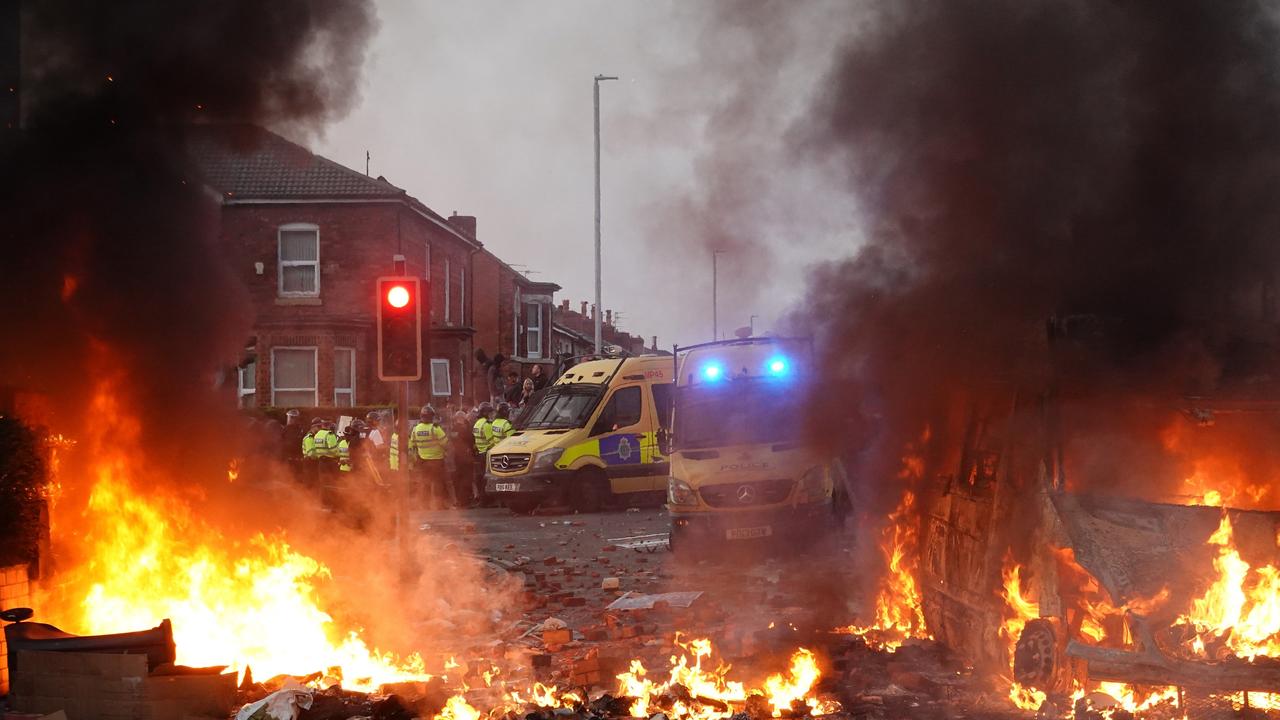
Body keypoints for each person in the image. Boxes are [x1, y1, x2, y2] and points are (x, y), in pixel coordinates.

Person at [409, 406, 450, 509]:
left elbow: (412, 445)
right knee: (438, 484)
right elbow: (445, 443)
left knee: (424, 483)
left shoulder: (415, 429)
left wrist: (414, 459)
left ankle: (424, 505)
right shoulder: (435, 428)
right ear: (432, 416)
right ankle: (439, 505)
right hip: (437, 461)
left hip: (422, 460)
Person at [449, 410, 476, 507]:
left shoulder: (453, 429)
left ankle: (460, 500)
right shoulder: (465, 429)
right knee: (467, 480)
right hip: (466, 457)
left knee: (458, 479)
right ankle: (465, 501)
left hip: (457, 457)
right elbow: (471, 439)